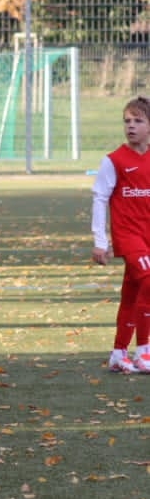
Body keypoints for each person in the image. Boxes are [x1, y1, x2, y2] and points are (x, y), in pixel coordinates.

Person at [91, 96, 150, 373]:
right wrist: (100, 241)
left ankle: (118, 353)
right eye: (127, 121)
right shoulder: (114, 161)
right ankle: (144, 351)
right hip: (128, 236)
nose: (131, 126)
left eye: (138, 121)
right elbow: (100, 199)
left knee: (132, 293)